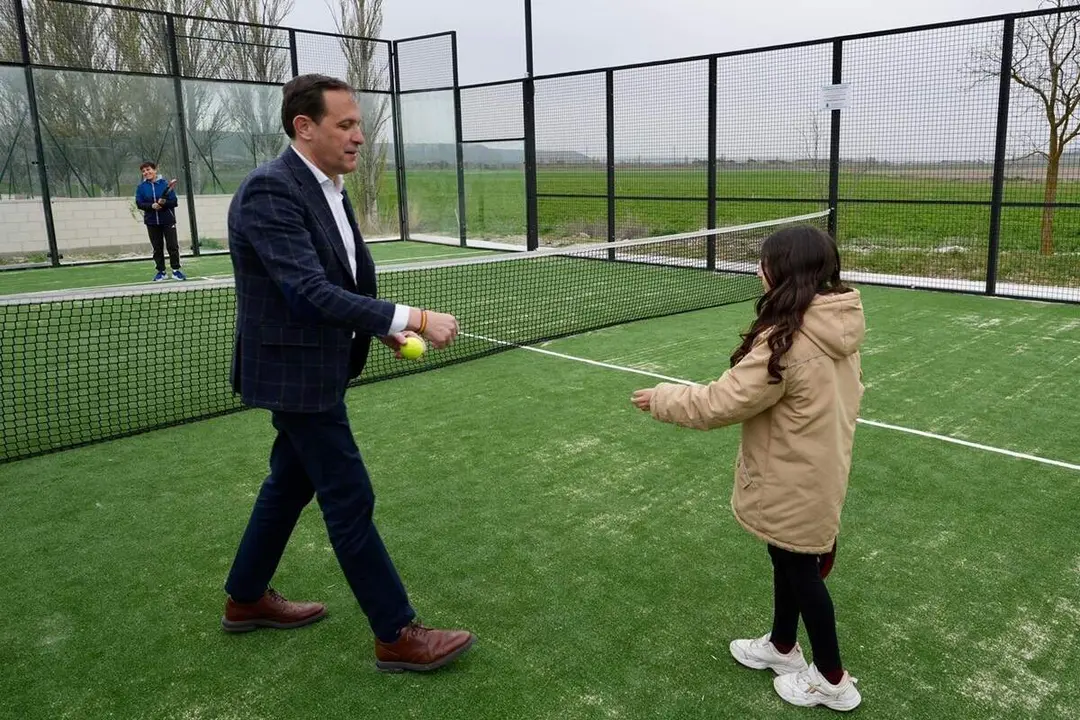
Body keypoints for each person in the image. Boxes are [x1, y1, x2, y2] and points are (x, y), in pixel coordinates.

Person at [221, 73, 475, 673]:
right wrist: (413, 314)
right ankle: (397, 633)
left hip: (322, 367)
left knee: (290, 483)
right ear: (303, 128)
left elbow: (341, 285)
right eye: (346, 124)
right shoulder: (270, 191)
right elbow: (307, 292)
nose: (360, 136)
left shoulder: (331, 187)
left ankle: (246, 597)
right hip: (295, 377)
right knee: (349, 495)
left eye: (359, 124)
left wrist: (382, 326)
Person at [631, 225, 865, 712]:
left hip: (795, 477)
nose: (759, 270)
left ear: (782, 273)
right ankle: (783, 647)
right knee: (787, 558)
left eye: (765, 263)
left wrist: (663, 398)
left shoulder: (793, 340)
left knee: (801, 571)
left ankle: (833, 679)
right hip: (813, 470)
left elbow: (721, 402)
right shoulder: (835, 324)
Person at [134, 161, 185, 281]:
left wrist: (163, 204)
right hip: (151, 221)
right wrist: (152, 206)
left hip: (168, 220)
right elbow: (139, 203)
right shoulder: (141, 188)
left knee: (172, 246)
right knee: (157, 248)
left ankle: (176, 270)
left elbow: (174, 202)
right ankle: (161, 272)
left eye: (148, 170)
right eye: (144, 171)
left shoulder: (164, 184)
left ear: (155, 170)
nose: (146, 172)